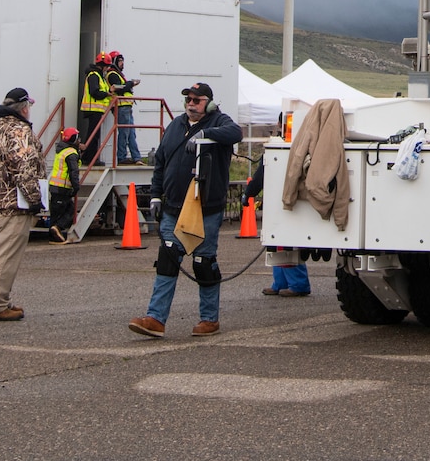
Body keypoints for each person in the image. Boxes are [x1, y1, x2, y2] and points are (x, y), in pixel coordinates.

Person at [129, 82, 242, 338]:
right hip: (173, 207)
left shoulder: (220, 122)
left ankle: (209, 319)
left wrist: (207, 135)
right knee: (168, 261)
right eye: (188, 99)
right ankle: (155, 318)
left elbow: (235, 133)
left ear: (210, 103)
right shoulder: (175, 126)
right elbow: (160, 163)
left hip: (205, 208)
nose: (191, 103)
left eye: (197, 100)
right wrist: (156, 196)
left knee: (204, 263)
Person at [0, 87, 43, 321]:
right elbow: (24, 168)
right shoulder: (18, 131)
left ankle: (1, 299)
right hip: (13, 204)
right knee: (5, 257)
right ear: (24, 108)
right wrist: (35, 200)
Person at [244, 158, 309, 298]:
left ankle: (297, 284)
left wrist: (249, 193)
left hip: (283, 201)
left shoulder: (274, 152)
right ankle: (282, 283)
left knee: (286, 244)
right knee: (278, 244)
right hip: (287, 200)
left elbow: (259, 177)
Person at [47, 127, 82, 242]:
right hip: (63, 187)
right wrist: (76, 186)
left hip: (54, 186)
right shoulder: (71, 153)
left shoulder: (61, 150)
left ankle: (54, 234)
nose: (79, 141)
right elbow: (73, 171)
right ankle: (57, 228)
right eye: (77, 138)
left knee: (56, 212)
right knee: (70, 210)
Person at [109, 52, 143, 165]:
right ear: (114, 61)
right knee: (124, 133)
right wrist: (131, 83)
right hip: (121, 107)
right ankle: (122, 157)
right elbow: (119, 88)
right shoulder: (112, 74)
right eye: (120, 61)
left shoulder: (118, 74)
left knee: (131, 133)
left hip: (126, 106)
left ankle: (136, 157)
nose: (122, 63)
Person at [80, 53, 114, 165]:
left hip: (96, 109)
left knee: (94, 134)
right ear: (103, 66)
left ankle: (88, 157)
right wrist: (106, 94)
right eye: (107, 66)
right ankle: (90, 159)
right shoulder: (94, 75)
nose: (108, 69)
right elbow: (94, 92)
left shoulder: (98, 76)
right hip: (93, 109)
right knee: (93, 135)